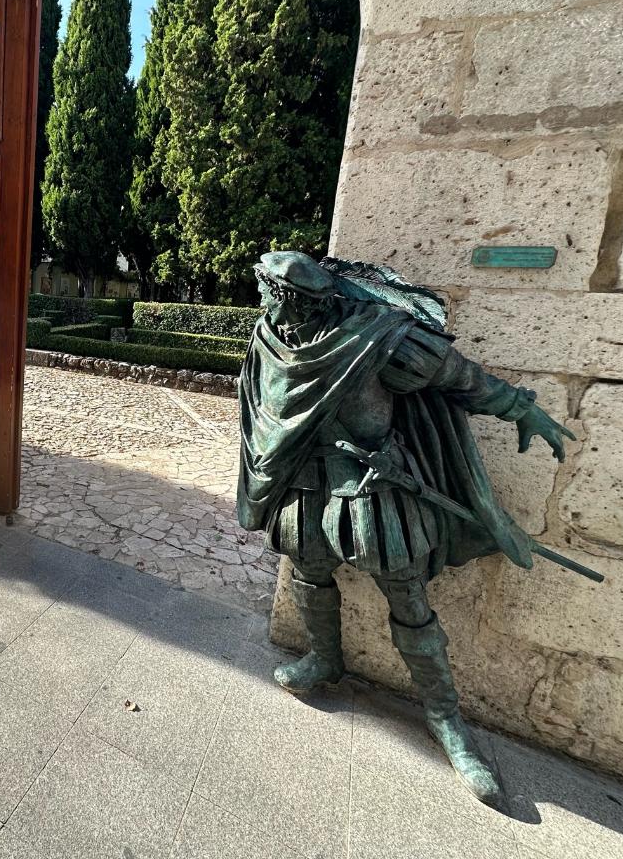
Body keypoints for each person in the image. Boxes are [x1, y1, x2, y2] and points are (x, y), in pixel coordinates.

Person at [237, 251, 576, 810]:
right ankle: (325, 658)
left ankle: (445, 718)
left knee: (406, 592)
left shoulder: (379, 338)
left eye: (272, 293)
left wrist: (523, 409)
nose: (265, 302)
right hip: (300, 480)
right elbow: (261, 407)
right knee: (308, 568)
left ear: (295, 297)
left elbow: (460, 377)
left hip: (372, 483)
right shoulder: (269, 337)